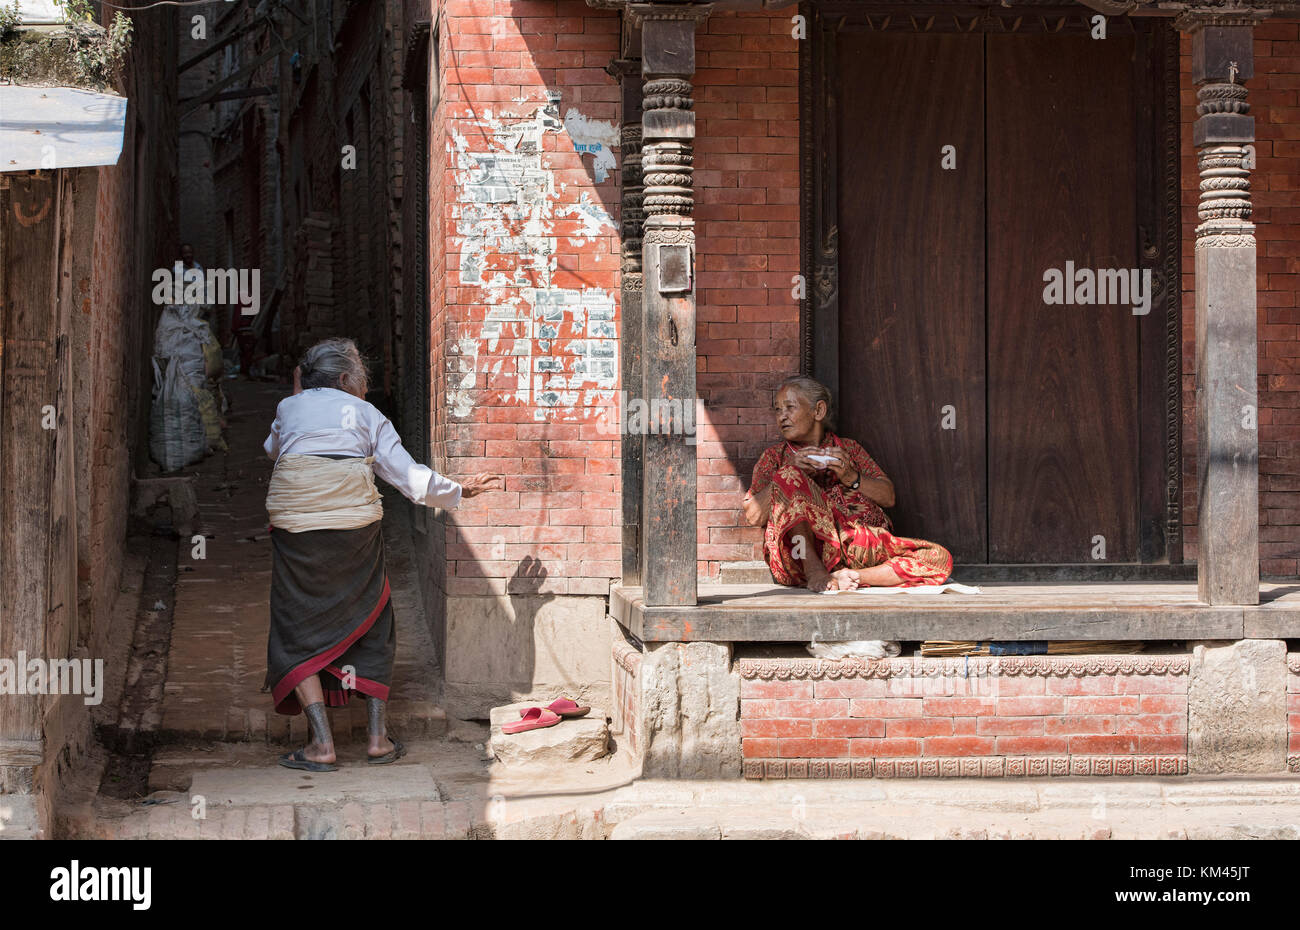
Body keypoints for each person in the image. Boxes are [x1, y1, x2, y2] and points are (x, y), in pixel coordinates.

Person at [263, 337, 502, 771]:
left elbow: (275, 452)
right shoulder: (368, 414)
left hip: (296, 532)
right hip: (353, 531)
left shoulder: (287, 408)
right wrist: (460, 491)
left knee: (294, 622)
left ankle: (321, 744)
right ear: (343, 379)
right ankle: (378, 740)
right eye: (359, 376)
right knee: (372, 616)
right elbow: (408, 478)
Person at [742, 375, 952, 592]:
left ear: (818, 411)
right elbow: (754, 515)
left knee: (939, 558)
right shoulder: (775, 457)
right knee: (788, 476)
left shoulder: (848, 449)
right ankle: (816, 572)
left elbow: (888, 497)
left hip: (856, 548)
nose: (782, 417)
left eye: (789, 407)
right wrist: (791, 473)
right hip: (800, 556)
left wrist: (852, 478)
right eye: (777, 410)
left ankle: (852, 577)